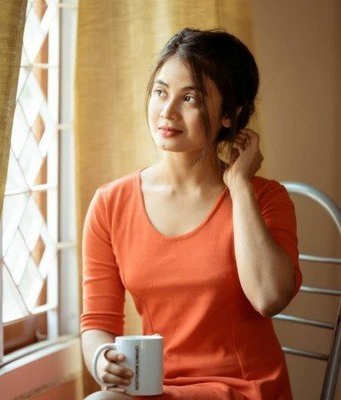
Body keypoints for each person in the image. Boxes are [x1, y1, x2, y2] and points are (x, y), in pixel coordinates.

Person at [81, 28, 302, 400]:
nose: (167, 111)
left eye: (190, 98)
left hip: (244, 389)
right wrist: (103, 358)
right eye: (160, 92)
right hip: (155, 388)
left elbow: (269, 297)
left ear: (229, 115)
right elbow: (97, 323)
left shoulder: (266, 199)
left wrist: (240, 186)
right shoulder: (110, 203)